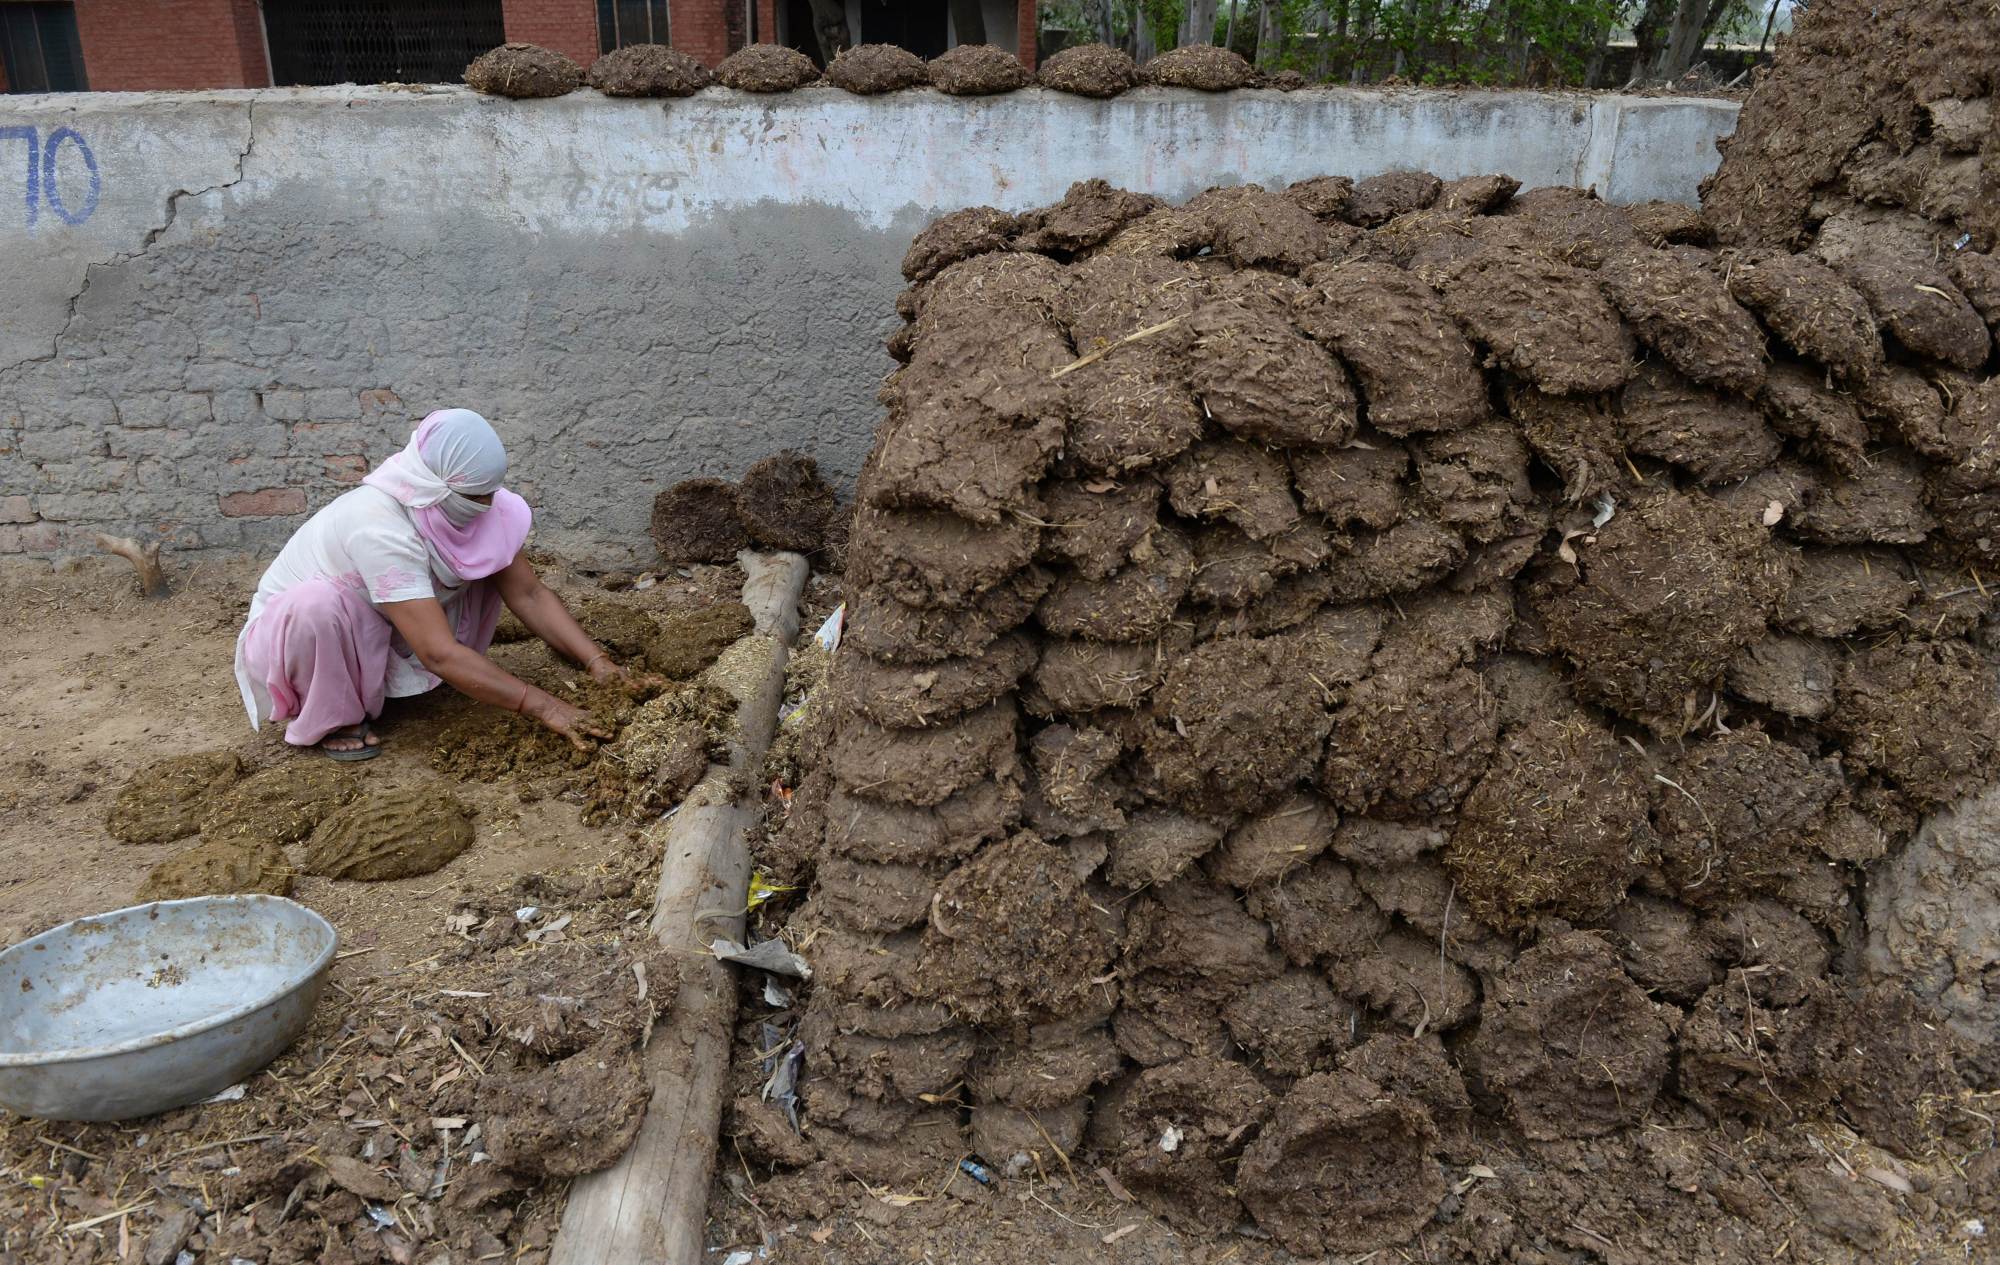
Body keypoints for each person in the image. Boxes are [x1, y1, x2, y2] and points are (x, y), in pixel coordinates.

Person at [234, 408, 629, 759]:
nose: (488, 506)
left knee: (483, 551)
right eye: (476, 496)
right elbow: (437, 653)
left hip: (380, 625)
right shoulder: (378, 527)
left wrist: (598, 662)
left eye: (491, 492)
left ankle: (375, 683)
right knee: (316, 607)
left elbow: (529, 593)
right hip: (298, 642)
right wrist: (547, 707)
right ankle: (331, 715)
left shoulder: (465, 501)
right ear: (438, 483)